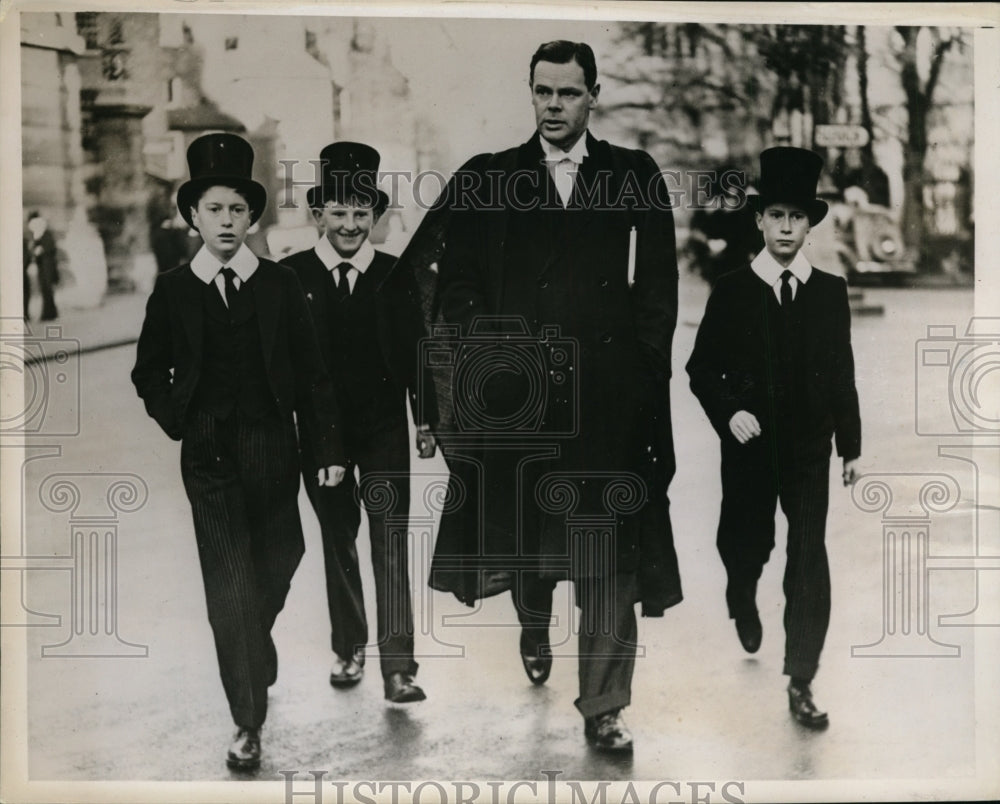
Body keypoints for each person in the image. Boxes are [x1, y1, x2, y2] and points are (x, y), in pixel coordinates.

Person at [429, 40, 682, 752]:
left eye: (568, 94)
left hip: (607, 403)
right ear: (530, 92)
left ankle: (604, 705)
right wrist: (493, 350)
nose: (553, 107)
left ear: (593, 95)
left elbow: (658, 291)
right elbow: (457, 283)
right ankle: (533, 617)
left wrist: (642, 373)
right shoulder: (495, 179)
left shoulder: (632, 176)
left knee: (607, 554)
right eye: (543, 92)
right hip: (522, 403)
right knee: (534, 543)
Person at [131, 133, 347, 770]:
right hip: (208, 456)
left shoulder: (279, 285)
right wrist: (182, 422)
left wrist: (328, 448)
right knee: (227, 583)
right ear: (191, 216)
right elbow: (150, 372)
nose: (225, 222)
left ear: (251, 216)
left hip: (273, 446)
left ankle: (256, 648)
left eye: (236, 211)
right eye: (212, 210)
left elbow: (313, 375)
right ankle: (247, 719)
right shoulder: (173, 290)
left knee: (283, 555)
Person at [686, 146, 862, 729]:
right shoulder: (734, 288)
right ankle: (741, 591)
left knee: (808, 556)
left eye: (797, 217)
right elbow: (700, 369)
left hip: (809, 448)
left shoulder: (829, 292)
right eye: (776, 216)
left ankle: (802, 679)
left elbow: (841, 371)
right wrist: (729, 413)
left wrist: (851, 446)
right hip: (750, 449)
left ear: (810, 224)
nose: (787, 227)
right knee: (746, 542)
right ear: (759, 221)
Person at [281, 142, 438, 704]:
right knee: (337, 540)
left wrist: (425, 421)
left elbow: (418, 350)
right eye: (339, 213)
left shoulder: (394, 277)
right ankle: (349, 646)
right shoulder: (291, 277)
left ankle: (399, 667)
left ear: (376, 217)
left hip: (384, 431)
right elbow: (285, 367)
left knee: (391, 542)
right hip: (321, 437)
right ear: (318, 216)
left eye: (361, 213)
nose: (350, 225)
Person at [24, 211, 59, 321]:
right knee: (45, 289)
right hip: (43, 267)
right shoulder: (40, 235)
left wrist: (40, 251)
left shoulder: (45, 234)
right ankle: (49, 313)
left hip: (47, 266)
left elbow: (50, 248)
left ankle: (49, 313)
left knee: (47, 289)